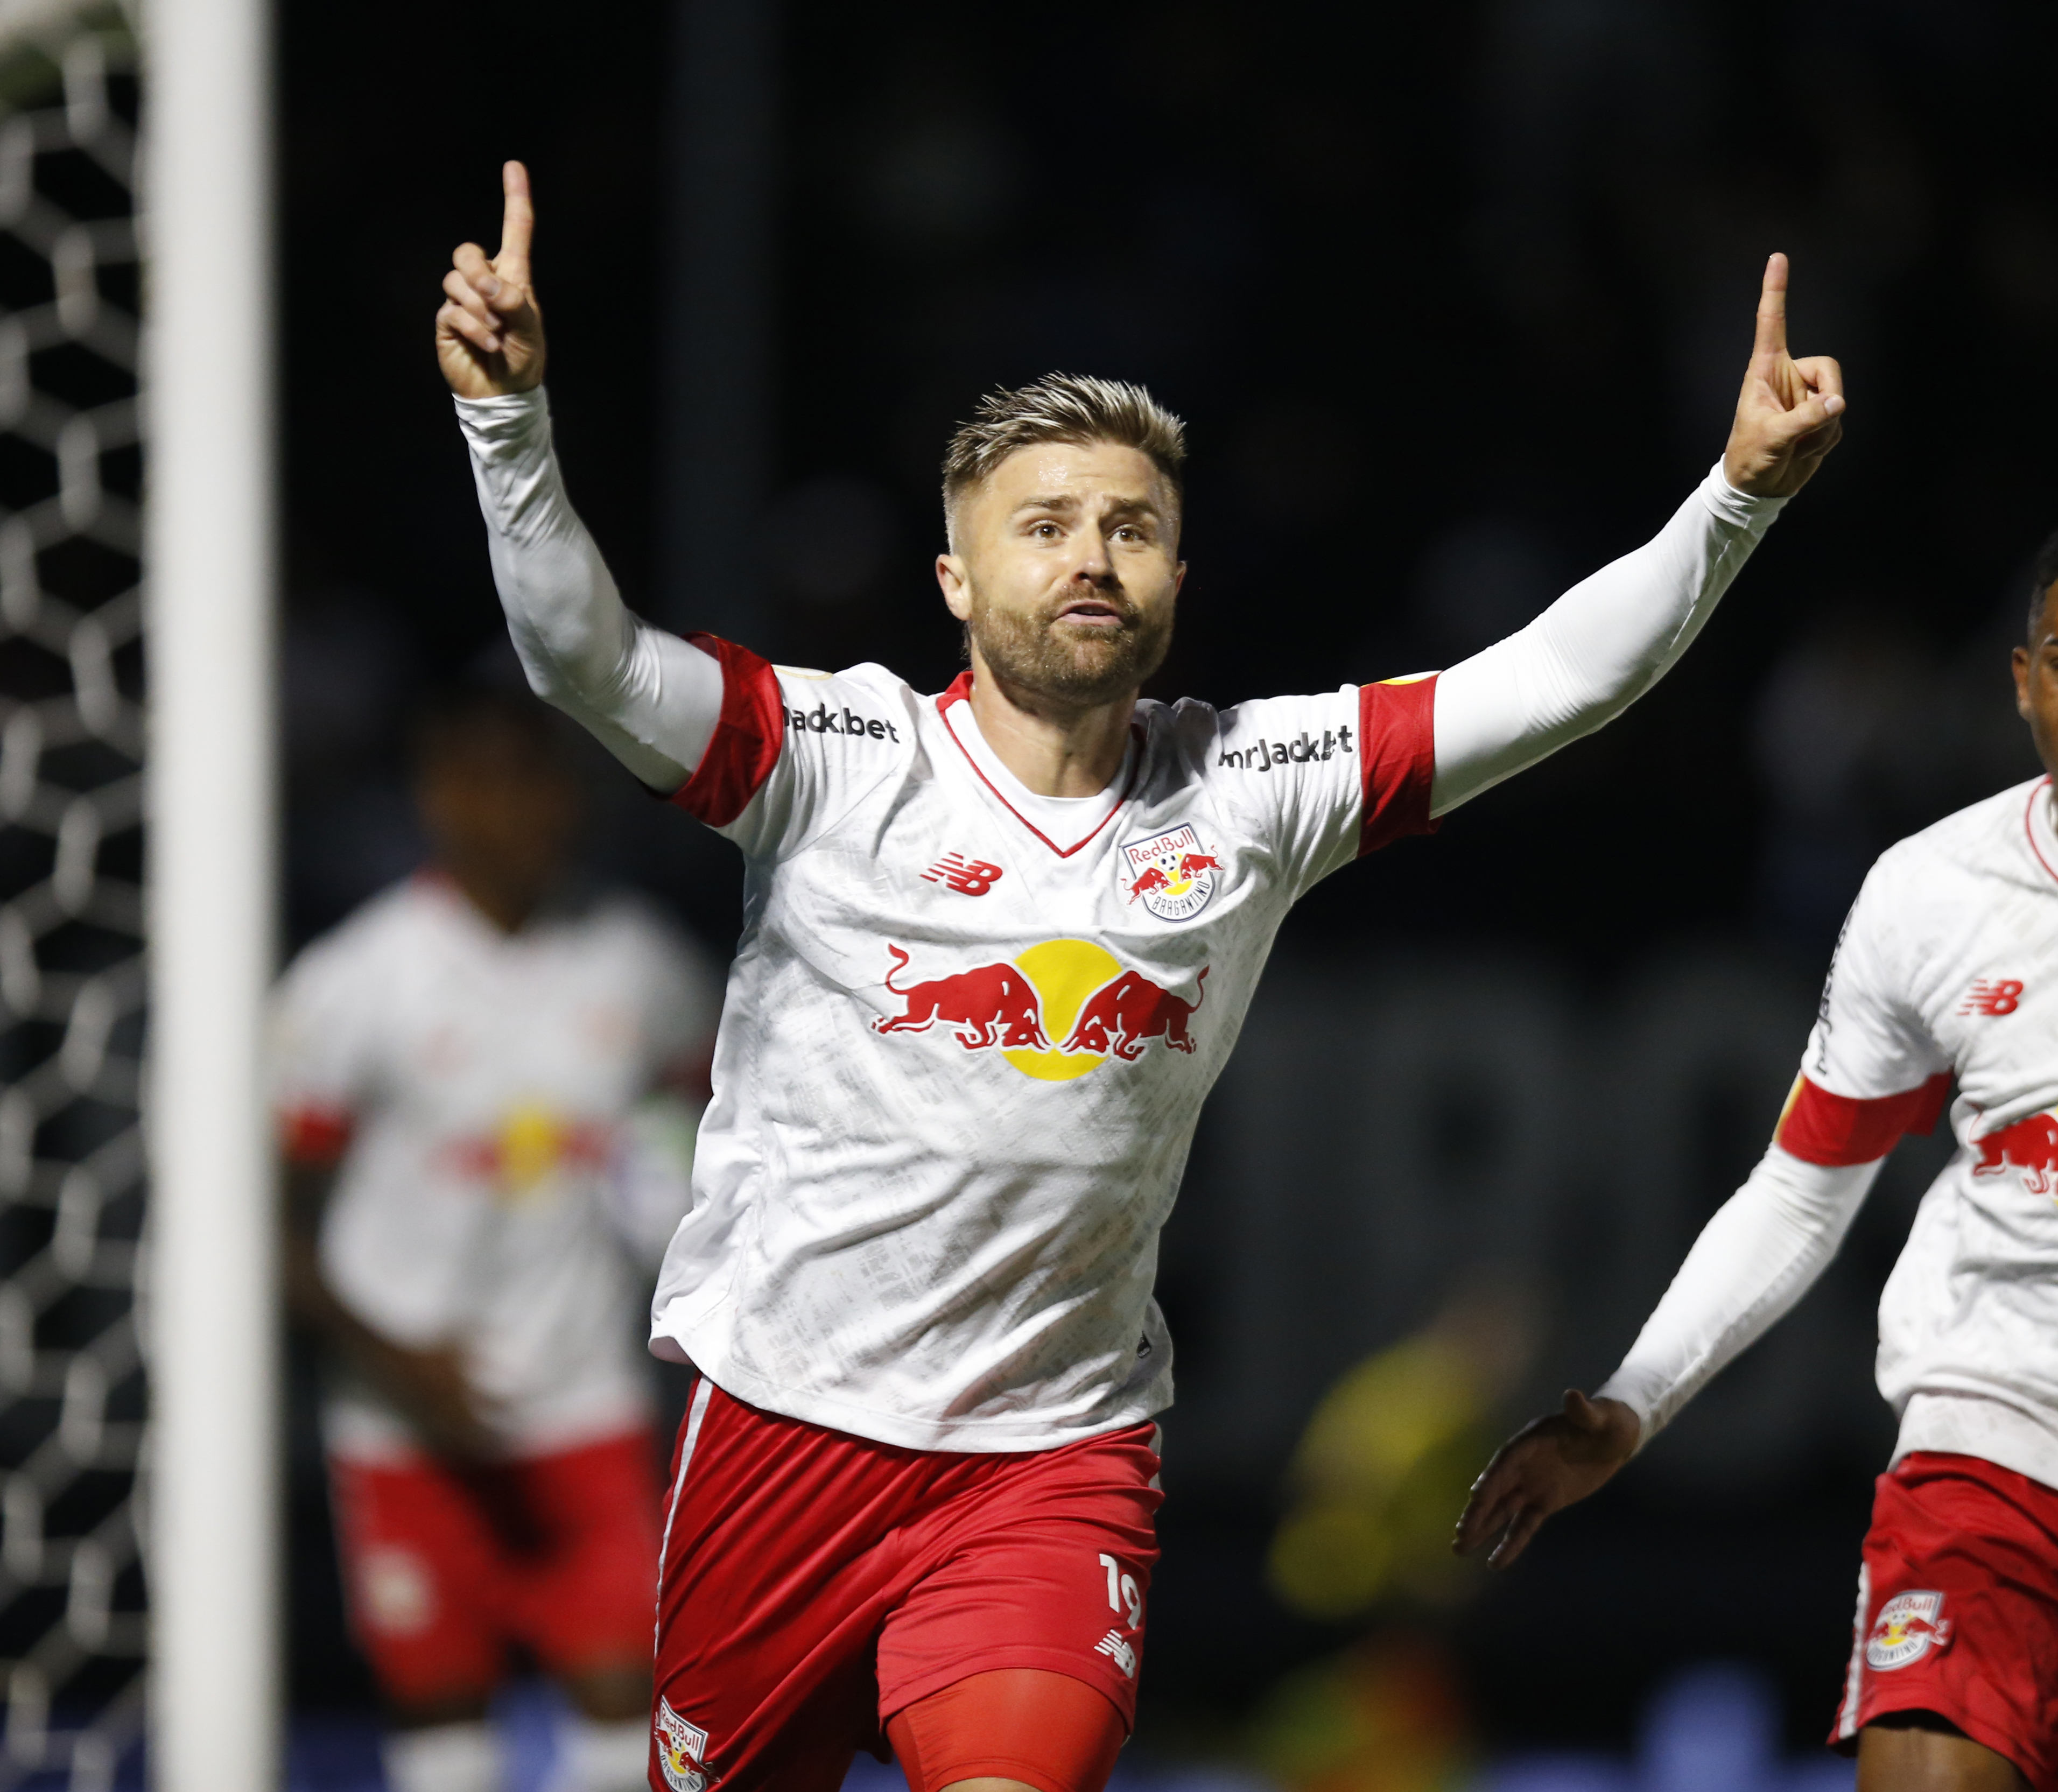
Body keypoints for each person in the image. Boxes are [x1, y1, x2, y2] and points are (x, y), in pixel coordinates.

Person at [430, 160, 1845, 1792]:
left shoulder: (1252, 786)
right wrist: (510, 426)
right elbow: (583, 657)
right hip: (784, 1433)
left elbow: (1550, 683)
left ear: (1178, 582)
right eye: (1043, 528)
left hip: (1049, 1460)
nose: (1090, 557)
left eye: (1131, 527)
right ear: (957, 583)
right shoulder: (833, 758)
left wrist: (1732, 494)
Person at [1456, 495, 2058, 1790]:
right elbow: (1803, 1191)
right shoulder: (1930, 892)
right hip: (1991, 1474)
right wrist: (1633, 1405)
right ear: (2023, 683)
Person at [276, 685, 719, 1792]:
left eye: (538, 784)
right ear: (438, 799)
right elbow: (266, 1220)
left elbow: (714, 1124)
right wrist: (393, 1359)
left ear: (570, 801)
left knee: (626, 1707)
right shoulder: (358, 983)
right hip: (404, 1421)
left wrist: (669, 1218)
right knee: (440, 1730)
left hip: (579, 1401)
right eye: (485, 784)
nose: (517, 813)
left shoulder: (641, 966)